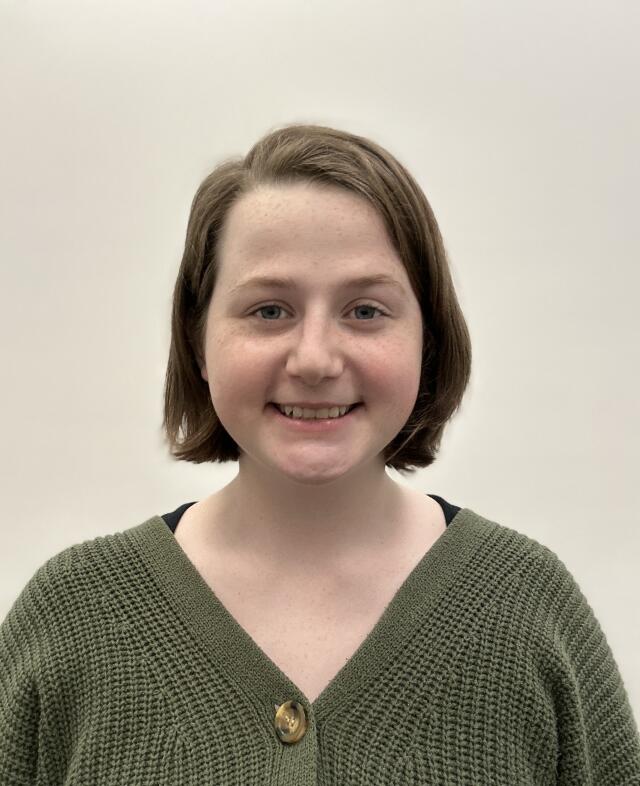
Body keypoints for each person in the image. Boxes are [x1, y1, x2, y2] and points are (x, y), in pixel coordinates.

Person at [1, 123, 639, 785]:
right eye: (269, 310)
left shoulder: (529, 609)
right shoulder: (70, 620)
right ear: (197, 339)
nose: (314, 359)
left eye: (365, 311)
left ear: (428, 336)